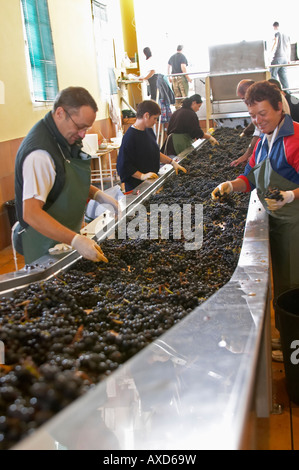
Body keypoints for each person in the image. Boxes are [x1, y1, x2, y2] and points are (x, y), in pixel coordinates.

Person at [211, 80, 299, 361]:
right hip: (275, 220)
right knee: (282, 283)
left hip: (295, 224)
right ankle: (286, 337)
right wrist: (230, 185)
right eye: (252, 116)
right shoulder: (262, 141)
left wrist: (291, 195)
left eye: (263, 113)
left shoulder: (295, 138)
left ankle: (294, 344)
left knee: (293, 286)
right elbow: (249, 177)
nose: (258, 121)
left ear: (279, 108)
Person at [14, 86, 120, 265]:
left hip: (65, 236)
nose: (82, 134)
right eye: (79, 127)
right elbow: (31, 213)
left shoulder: (65, 138)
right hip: (43, 243)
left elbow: (67, 180)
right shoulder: (40, 154)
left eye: (86, 128)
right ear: (60, 113)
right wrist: (75, 240)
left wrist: (98, 195)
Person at [116, 100, 187, 193]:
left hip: (151, 182)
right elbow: (123, 166)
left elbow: (155, 153)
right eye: (154, 118)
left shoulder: (148, 131)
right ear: (146, 115)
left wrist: (172, 162)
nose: (155, 122)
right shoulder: (130, 137)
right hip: (137, 187)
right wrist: (142, 176)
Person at [230, 78, 290, 167]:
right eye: (253, 116)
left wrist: (250, 154)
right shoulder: (265, 96)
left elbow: (259, 132)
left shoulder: (265, 100)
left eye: (244, 98)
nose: (245, 102)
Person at [167, 45, 192, 109]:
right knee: (184, 96)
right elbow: (183, 67)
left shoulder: (172, 57)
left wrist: (169, 77)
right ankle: (186, 110)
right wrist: (188, 77)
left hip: (173, 78)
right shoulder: (182, 56)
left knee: (177, 96)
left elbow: (168, 67)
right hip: (181, 78)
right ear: (182, 49)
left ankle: (178, 111)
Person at [270, 21, 291, 90]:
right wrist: (288, 58)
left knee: (272, 75)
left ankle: (274, 92)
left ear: (275, 27)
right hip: (284, 58)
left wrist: (270, 54)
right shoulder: (286, 35)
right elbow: (288, 46)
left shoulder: (277, 33)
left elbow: (275, 43)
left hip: (277, 57)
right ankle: (287, 93)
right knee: (283, 76)